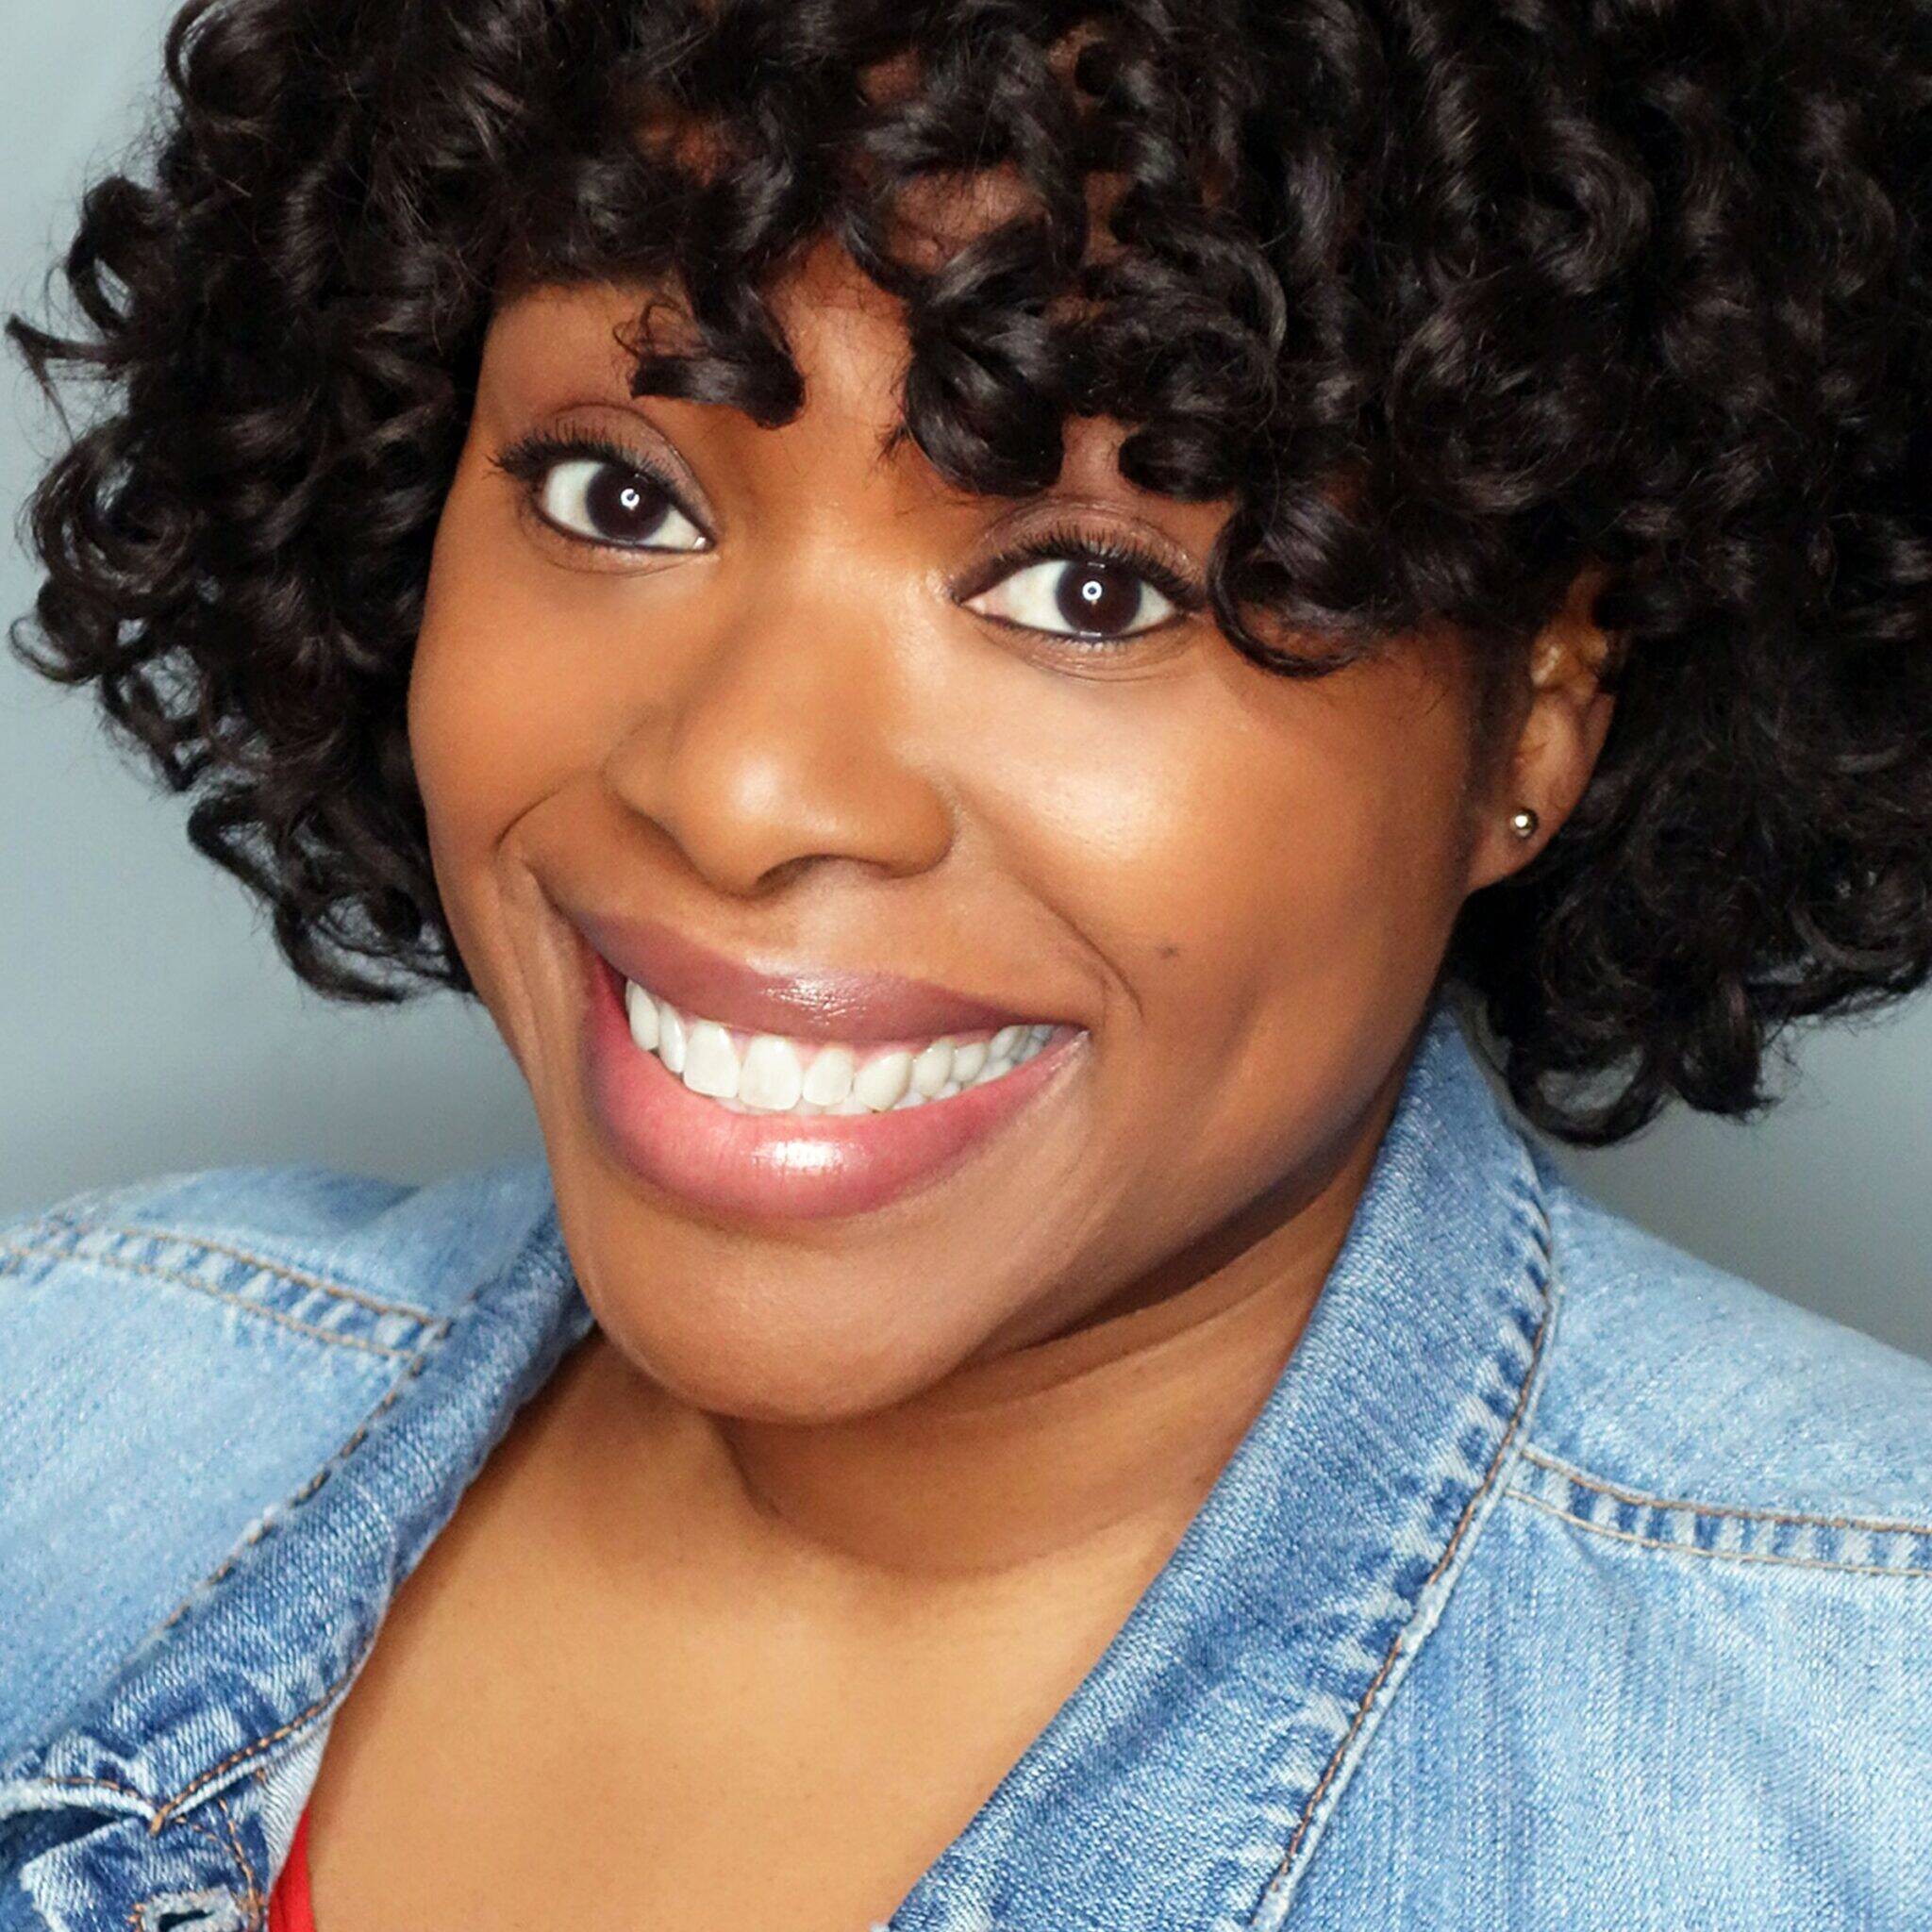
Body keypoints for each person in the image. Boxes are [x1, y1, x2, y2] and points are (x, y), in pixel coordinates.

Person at [4, 0, 1930, 1926]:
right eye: (618, 493)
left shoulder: (1863, 1764)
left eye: (1092, 588)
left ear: (1545, 699)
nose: (743, 788)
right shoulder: (59, 1410)